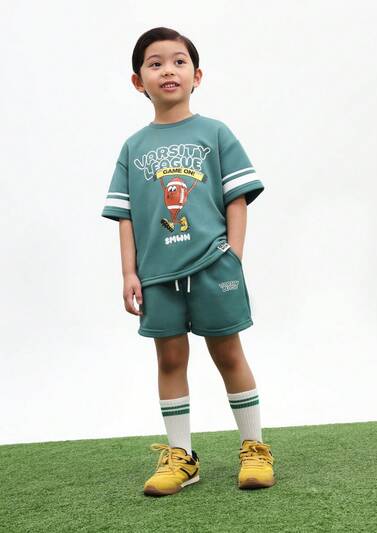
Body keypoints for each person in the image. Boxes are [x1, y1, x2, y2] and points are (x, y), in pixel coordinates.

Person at [101, 26, 276, 496]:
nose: (168, 70)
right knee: (170, 358)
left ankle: (254, 447)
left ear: (196, 76)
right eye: (155, 63)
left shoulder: (215, 133)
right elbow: (125, 215)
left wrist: (233, 256)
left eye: (179, 62)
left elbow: (237, 199)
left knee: (228, 352)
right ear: (138, 81)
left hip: (213, 266)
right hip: (157, 274)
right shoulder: (133, 147)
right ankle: (182, 457)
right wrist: (129, 272)